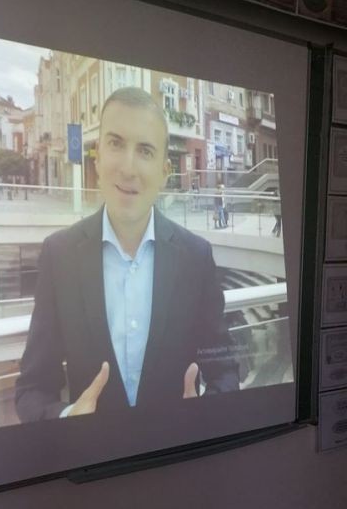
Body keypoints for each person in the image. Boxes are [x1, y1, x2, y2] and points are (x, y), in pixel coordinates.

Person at [15, 87, 239, 422]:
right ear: (97, 156)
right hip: (93, 453)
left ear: (164, 172)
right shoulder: (59, 256)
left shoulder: (196, 258)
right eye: (116, 144)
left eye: (145, 151)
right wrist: (67, 418)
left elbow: (226, 372)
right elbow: (32, 389)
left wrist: (204, 415)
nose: (128, 168)